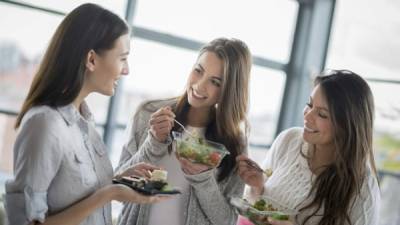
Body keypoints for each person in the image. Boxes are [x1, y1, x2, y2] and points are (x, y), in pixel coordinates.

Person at [4, 3, 167, 225]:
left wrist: (119, 180)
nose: (126, 70)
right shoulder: (45, 124)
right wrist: (109, 194)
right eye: (122, 58)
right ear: (91, 59)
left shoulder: (84, 121)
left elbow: (71, 190)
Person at [116, 37, 252, 225]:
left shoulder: (235, 143)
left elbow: (227, 221)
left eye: (215, 82)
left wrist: (203, 179)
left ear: (229, 90)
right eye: (198, 71)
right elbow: (117, 189)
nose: (199, 85)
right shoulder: (148, 114)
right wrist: (153, 144)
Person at [237, 70, 380, 225]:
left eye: (322, 114)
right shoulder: (288, 140)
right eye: (309, 105)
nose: (307, 116)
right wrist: (257, 187)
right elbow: (257, 209)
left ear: (347, 126)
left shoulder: (363, 191)